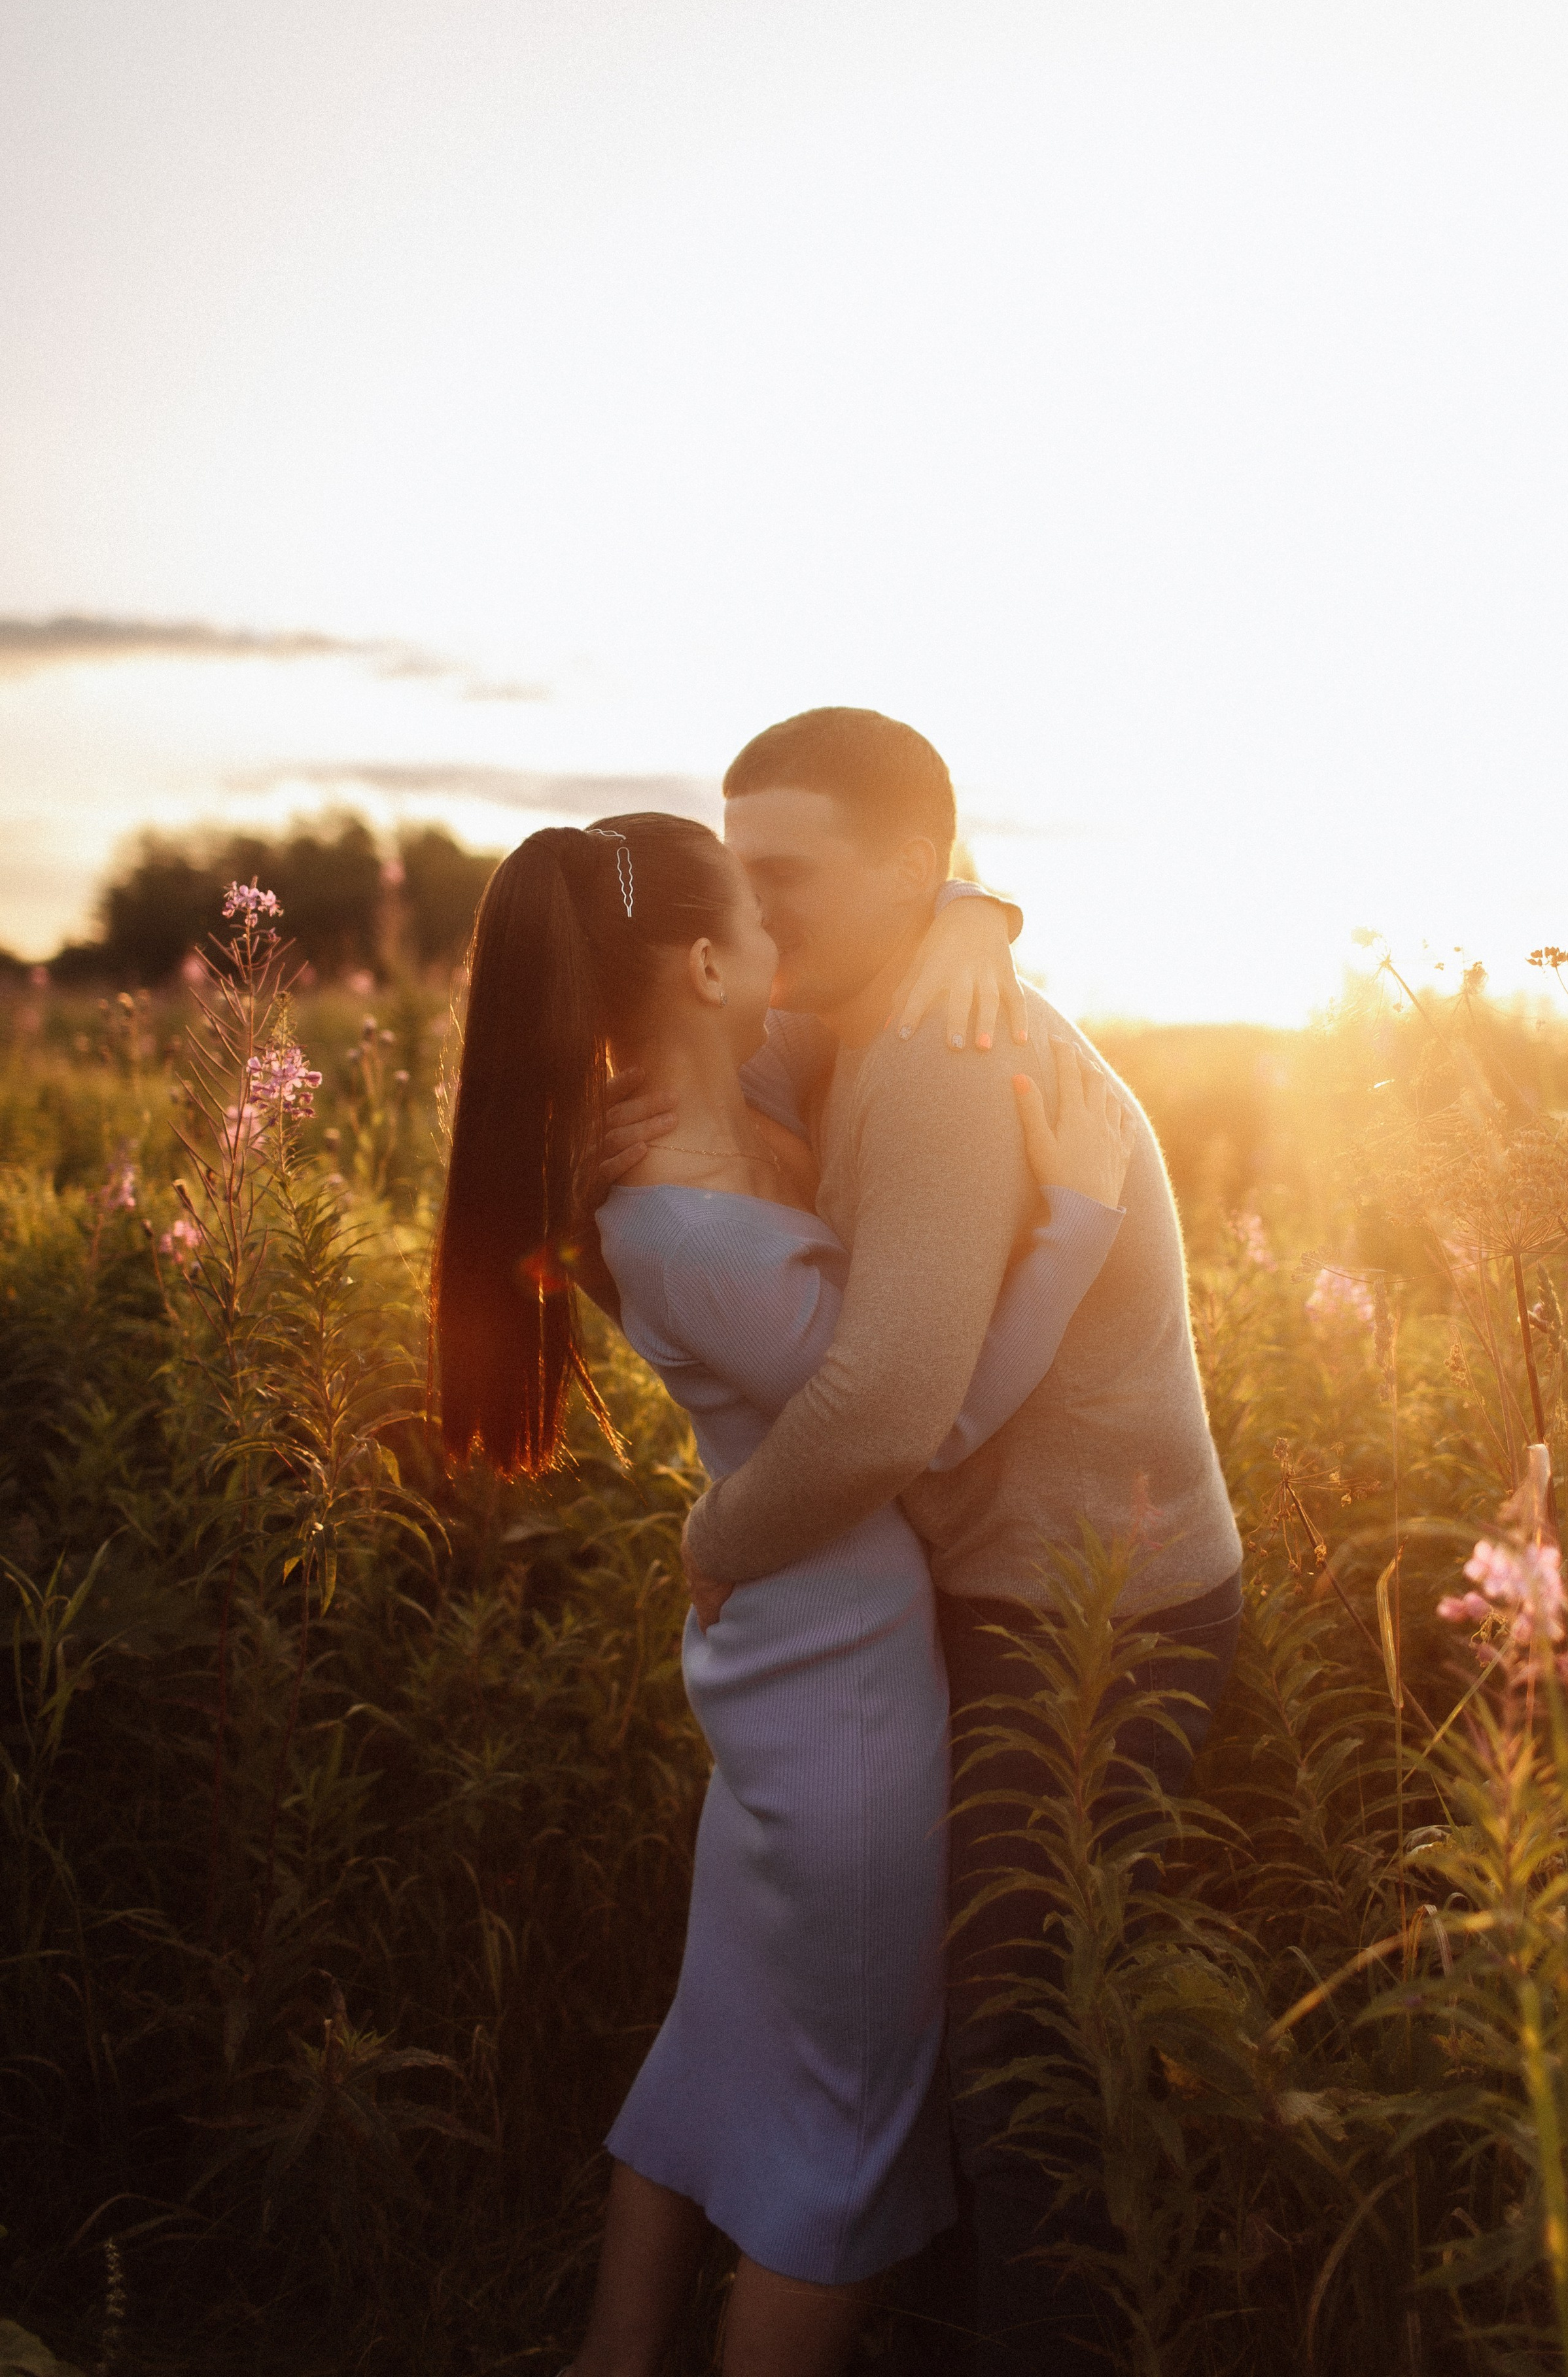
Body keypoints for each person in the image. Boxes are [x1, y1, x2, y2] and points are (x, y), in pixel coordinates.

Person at [431, 812, 1133, 2377]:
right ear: (700, 962)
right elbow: (919, 1420)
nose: (788, 943)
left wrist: (970, 914)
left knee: (726, 2039)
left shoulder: (705, 1114)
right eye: (758, 915)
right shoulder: (693, 1226)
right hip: (847, 1693)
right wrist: (1076, 1218)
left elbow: (892, 916)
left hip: (788, 1659)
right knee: (849, 2136)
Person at [652, 709, 1246, 2372]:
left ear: (908, 871)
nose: (746, 919)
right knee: (940, 2004)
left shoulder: (936, 1054)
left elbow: (888, 1409)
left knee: (1015, 2030)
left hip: (1094, 1617)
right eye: (731, 878)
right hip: (974, 1589)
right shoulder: (842, 1008)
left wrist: (720, 1532)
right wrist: (980, 903)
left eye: (782, 878)